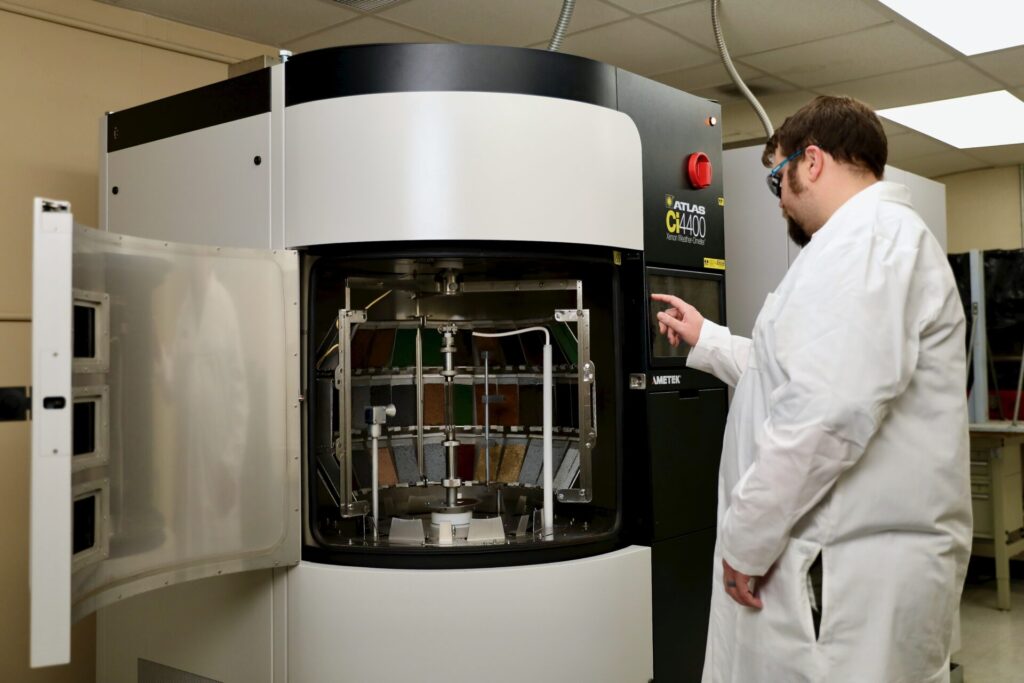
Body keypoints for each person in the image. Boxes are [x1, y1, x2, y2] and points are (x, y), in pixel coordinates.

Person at [653, 95, 972, 683]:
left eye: (778, 178)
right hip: (839, 562)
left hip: (842, 573)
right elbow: (793, 375)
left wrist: (745, 541)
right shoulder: (863, 244)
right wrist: (710, 339)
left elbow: (825, 413)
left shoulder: (867, 243)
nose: (780, 200)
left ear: (813, 161)